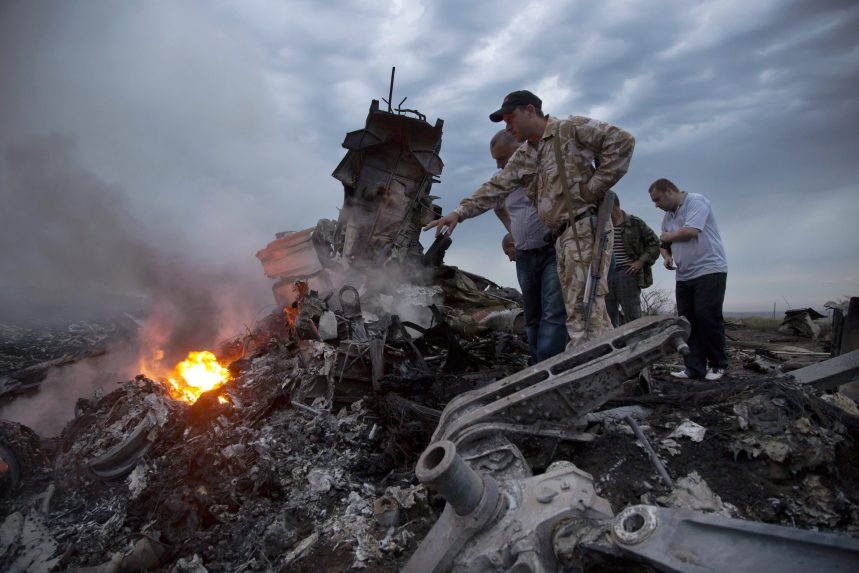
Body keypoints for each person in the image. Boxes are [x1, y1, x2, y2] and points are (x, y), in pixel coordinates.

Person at [424, 90, 635, 346]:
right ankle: (608, 367)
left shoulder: (569, 129)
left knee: (584, 310)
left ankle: (585, 373)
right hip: (561, 238)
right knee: (585, 313)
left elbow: (622, 141)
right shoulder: (526, 155)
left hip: (583, 228)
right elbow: (495, 187)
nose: (507, 126)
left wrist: (594, 187)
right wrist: (459, 213)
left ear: (530, 111)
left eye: (510, 118)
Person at [491, 130, 568, 362]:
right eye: (495, 159)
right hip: (525, 254)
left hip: (553, 250)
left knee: (554, 311)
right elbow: (496, 206)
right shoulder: (500, 177)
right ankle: (537, 364)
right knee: (532, 314)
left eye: (503, 157)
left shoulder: (544, 167)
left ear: (520, 148)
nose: (499, 164)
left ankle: (551, 368)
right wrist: (512, 231)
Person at [648, 178, 728, 381]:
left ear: (668, 191)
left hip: (709, 270)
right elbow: (663, 243)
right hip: (684, 275)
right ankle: (694, 368)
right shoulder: (668, 216)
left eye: (657, 199)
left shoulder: (695, 201)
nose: (656, 205)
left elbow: (691, 231)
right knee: (687, 322)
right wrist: (666, 257)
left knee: (707, 317)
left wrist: (668, 237)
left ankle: (718, 364)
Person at [605, 197, 661, 326]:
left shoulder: (634, 223)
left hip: (627, 272)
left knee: (632, 314)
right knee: (607, 316)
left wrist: (641, 261)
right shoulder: (601, 226)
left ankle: (639, 342)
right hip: (606, 273)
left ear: (612, 205)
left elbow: (655, 243)